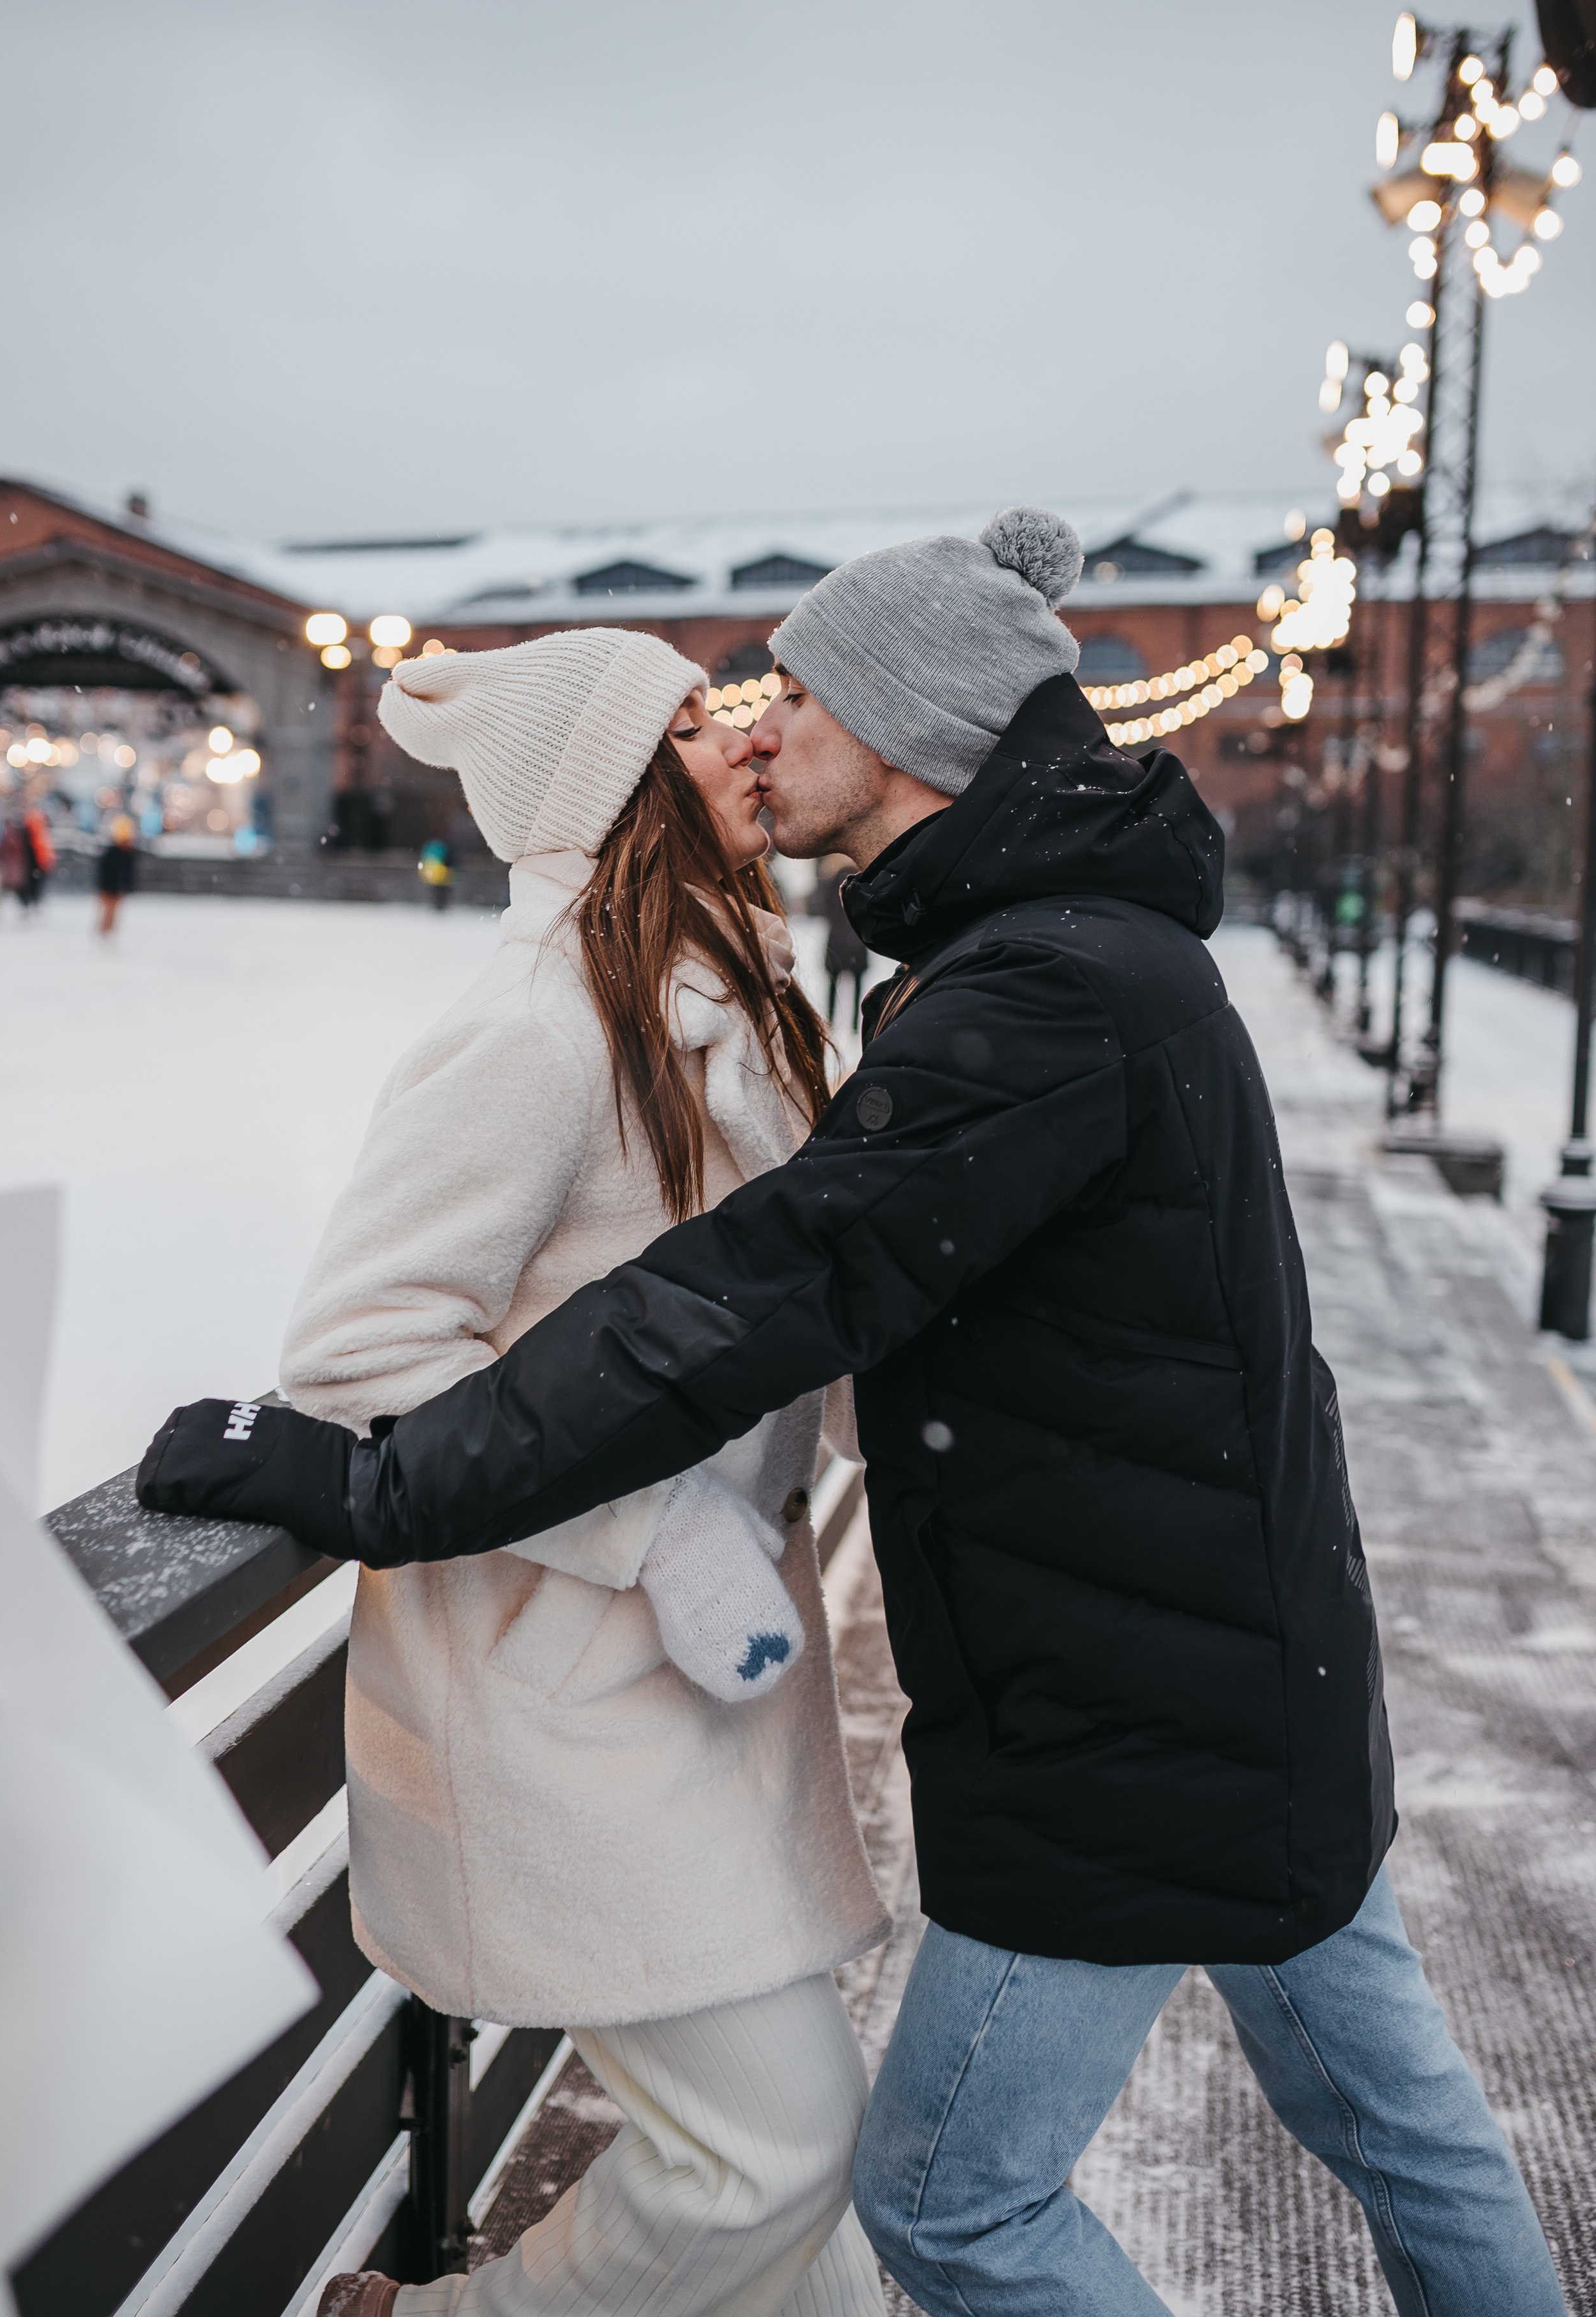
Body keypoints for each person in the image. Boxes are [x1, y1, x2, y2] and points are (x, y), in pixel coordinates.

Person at [142, 512, 1568, 2317]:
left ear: (897, 733)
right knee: (1345, 2122)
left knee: (943, 2192)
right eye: (721, 713)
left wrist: (427, 1485)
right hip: (1181, 1666)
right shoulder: (1020, 964)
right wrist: (415, 1482)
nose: (757, 727)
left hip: (1133, 1681)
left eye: (790, 696)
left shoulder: (1007, 986)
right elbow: (721, 1303)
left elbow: (772, 1288)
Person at [276, 630, 888, 2317]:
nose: (750, 735)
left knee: (796, 2215)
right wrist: (662, 1527)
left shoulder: (726, 992)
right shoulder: (543, 1023)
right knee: (775, 2150)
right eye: (696, 727)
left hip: (693, 1686)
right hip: (555, 1685)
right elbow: (352, 1359)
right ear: (617, 787)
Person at [814, 854, 870, 1034]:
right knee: (857, 986)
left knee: (832, 984)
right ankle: (854, 1024)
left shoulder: (833, 879)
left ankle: (831, 1021)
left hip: (837, 940)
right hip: (857, 939)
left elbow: (826, 907)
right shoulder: (863, 879)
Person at [95, 816, 139, 937]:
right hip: (109, 888)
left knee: (113, 912)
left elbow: (128, 873)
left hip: (117, 888)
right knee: (108, 912)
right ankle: (103, 932)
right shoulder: (113, 854)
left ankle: (108, 932)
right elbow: (106, 872)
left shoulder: (127, 854)